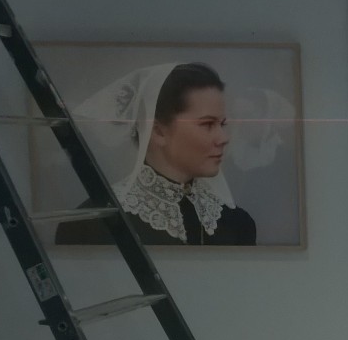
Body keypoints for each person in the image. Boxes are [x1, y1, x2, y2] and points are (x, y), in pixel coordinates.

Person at [55, 62, 256, 246]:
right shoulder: (90, 225)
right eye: (207, 124)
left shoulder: (237, 223)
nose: (223, 138)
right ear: (158, 131)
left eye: (222, 124)